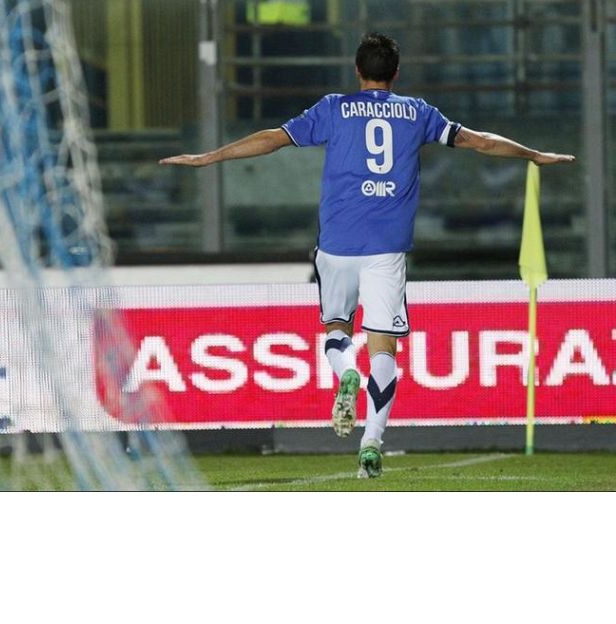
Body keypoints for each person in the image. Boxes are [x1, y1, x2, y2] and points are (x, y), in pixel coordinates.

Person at [159, 32, 575, 479]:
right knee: (384, 348)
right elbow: (482, 142)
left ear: (357, 70)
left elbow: (272, 139)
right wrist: (534, 154)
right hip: (386, 249)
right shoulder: (418, 112)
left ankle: (345, 371)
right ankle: (371, 444)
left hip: (336, 245)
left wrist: (209, 157)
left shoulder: (333, 108)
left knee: (336, 328)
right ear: (396, 73)